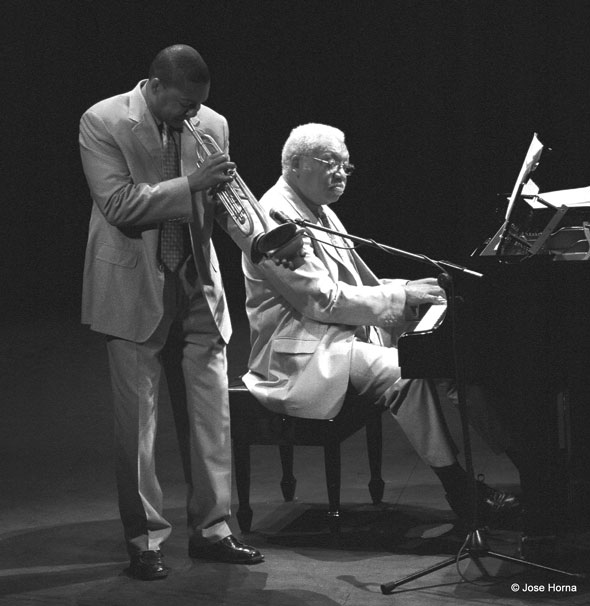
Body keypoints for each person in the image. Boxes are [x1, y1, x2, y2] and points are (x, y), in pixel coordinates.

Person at [240, 123, 521, 528]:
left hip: (336, 339)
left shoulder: (318, 209)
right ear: (296, 164)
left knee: (452, 355)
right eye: (330, 164)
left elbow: (354, 285)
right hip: (299, 353)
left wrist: (408, 288)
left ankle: (525, 462)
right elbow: (324, 300)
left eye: (345, 166)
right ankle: (460, 491)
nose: (340, 174)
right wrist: (401, 298)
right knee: (404, 373)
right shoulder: (274, 218)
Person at [79, 44, 273, 580]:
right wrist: (192, 183)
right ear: (154, 85)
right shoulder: (104, 119)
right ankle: (144, 540)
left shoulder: (211, 121)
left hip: (196, 285)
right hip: (132, 285)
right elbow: (119, 207)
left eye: (199, 105)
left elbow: (224, 200)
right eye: (183, 104)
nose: (193, 115)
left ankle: (215, 530)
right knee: (137, 425)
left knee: (213, 417)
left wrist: (261, 241)